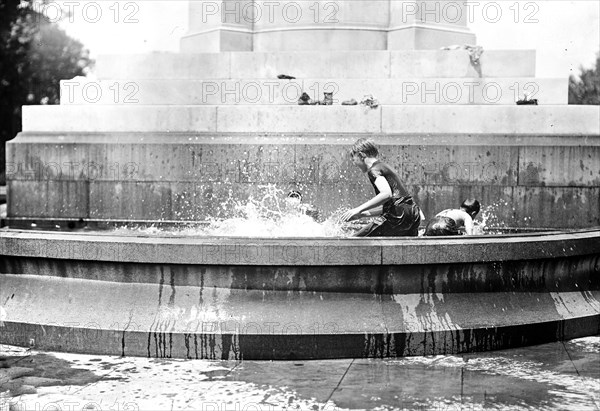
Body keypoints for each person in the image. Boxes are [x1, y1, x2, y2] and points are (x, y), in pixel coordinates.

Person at [341, 138, 422, 237]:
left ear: (362, 155)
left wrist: (358, 209)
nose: (354, 164)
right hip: (413, 214)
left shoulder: (374, 170)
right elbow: (395, 203)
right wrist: (363, 214)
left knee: (355, 241)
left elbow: (386, 194)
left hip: (397, 216)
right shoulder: (384, 166)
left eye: (354, 159)